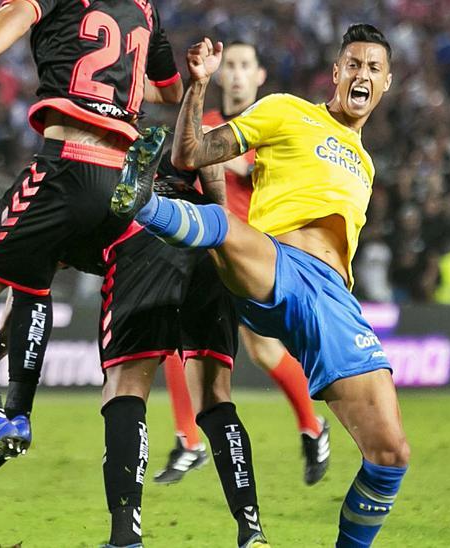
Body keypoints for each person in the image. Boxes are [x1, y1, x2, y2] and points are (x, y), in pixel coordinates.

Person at [119, 25, 411, 547]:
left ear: (386, 83)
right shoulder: (284, 110)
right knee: (224, 225)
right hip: (273, 264)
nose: (361, 74)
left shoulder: (365, 164)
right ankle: (142, 202)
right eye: (353, 64)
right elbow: (190, 155)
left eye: (373, 68)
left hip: (333, 300)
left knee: (390, 457)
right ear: (336, 71)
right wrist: (197, 85)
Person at [0, 0, 183, 498]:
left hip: (68, 164)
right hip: (123, 185)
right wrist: (122, 82)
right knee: (33, 276)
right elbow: (171, 90)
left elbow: (19, 10)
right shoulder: (145, 8)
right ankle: (18, 414)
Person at [153, 41, 331, 488]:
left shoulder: (269, 125)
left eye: (243, 66)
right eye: (228, 65)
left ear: (259, 76)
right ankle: (188, 440)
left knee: (266, 350)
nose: (234, 74)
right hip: (212, 253)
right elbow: (183, 163)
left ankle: (313, 426)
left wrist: (204, 150)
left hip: (259, 252)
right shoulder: (205, 122)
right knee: (174, 332)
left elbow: (247, 168)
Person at [75, 149, 268, 547]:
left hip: (142, 242)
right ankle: (251, 530)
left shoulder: (82, 163)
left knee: (125, 387)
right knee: (215, 398)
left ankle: (125, 535)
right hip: (207, 239)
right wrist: (219, 219)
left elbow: (47, 254)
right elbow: (204, 153)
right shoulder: (170, 153)